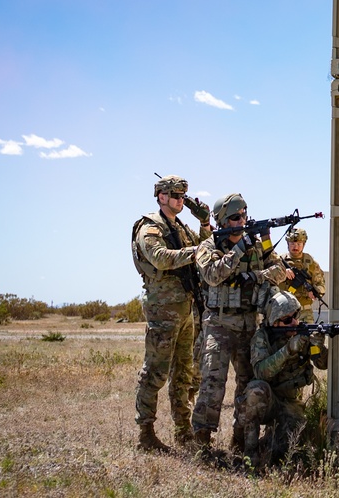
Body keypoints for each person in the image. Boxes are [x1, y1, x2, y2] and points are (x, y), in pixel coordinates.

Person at [191, 193, 290, 452]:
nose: (242, 220)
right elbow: (213, 275)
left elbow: (279, 271)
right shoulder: (208, 247)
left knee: (247, 385)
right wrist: (239, 247)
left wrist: (254, 273)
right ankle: (202, 443)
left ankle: (240, 440)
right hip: (219, 324)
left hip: (248, 324)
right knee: (212, 384)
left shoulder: (257, 246)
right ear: (223, 221)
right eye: (236, 217)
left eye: (244, 215)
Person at [131, 175, 212, 452]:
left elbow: (206, 248)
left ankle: (183, 431)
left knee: (184, 374)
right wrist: (194, 251)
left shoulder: (183, 228)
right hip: (162, 310)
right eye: (175, 195)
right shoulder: (150, 227)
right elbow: (161, 258)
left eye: (182, 196)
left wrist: (204, 223)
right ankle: (146, 434)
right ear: (161, 197)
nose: (180, 200)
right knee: (155, 372)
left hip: (186, 309)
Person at [236, 291, 328, 467]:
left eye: (295, 316)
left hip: (291, 404)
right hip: (268, 401)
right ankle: (250, 454)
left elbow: (322, 364)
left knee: (286, 448)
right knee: (256, 389)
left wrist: (318, 347)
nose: (293, 322)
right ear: (275, 322)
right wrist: (288, 350)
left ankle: (270, 441)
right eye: (287, 320)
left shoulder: (303, 335)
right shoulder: (262, 337)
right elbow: (261, 372)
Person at [280, 228, 327, 323]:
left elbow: (321, 285)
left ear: (303, 244)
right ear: (287, 244)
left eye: (299, 244)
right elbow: (268, 278)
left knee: (306, 337)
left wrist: (315, 291)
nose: (295, 247)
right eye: (292, 243)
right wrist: (282, 271)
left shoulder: (311, 263)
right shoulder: (279, 261)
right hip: (284, 312)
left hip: (304, 312)